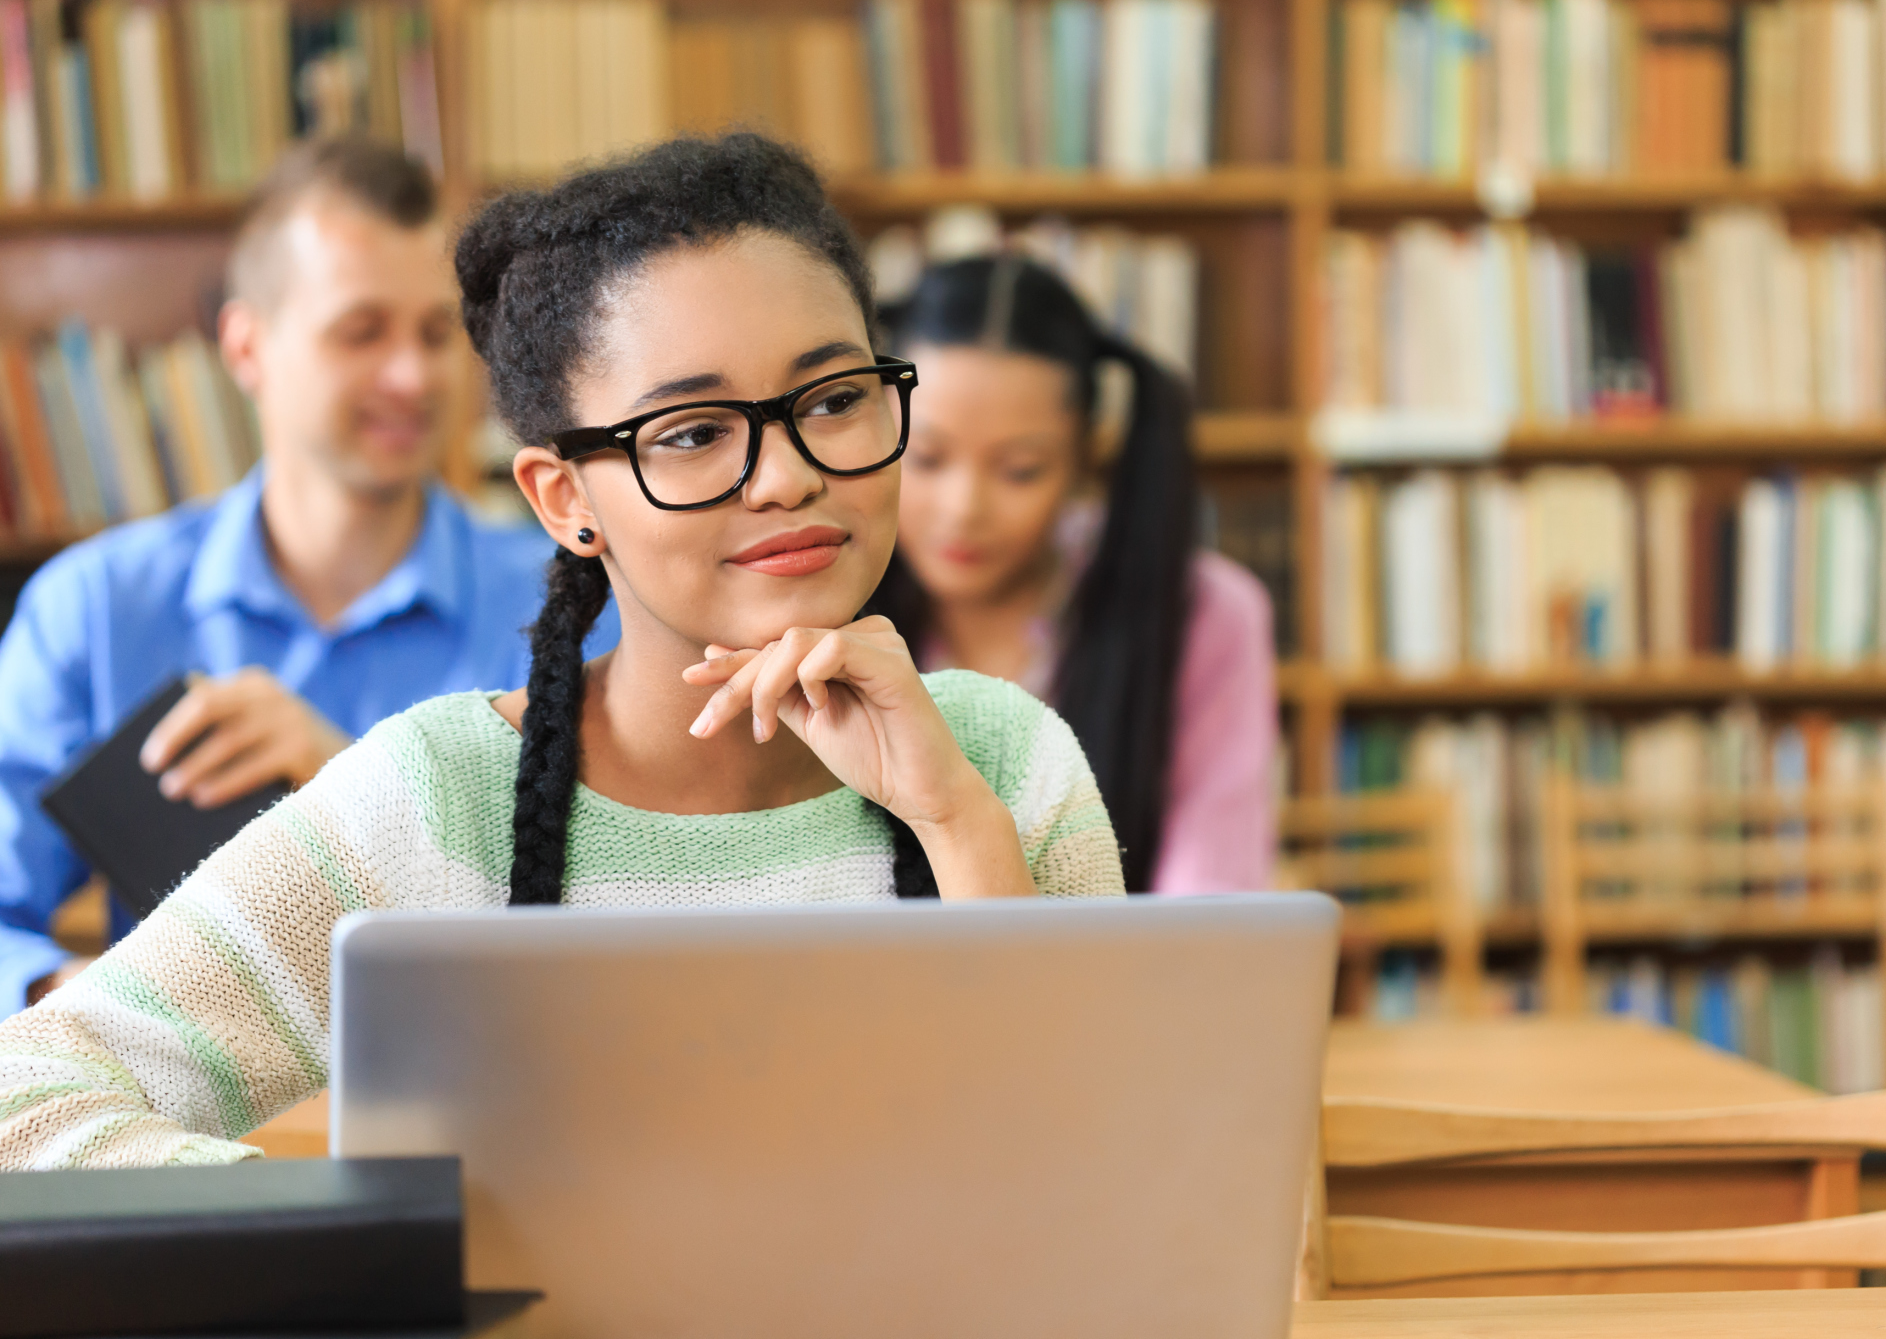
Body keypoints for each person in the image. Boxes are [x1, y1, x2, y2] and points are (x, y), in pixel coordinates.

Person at [0, 132, 1122, 1169]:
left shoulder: (1005, 762)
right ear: (563, 499)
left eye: (830, 399)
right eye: (691, 433)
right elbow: (26, 1102)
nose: (787, 475)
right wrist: (392, 1257)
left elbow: (1102, 1186)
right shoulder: (434, 801)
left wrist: (956, 828)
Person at [0, 136, 581, 1018]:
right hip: (184, 1119)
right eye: (362, 331)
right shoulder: (93, 610)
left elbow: (614, 925)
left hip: (490, 1108)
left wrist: (360, 795)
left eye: (436, 333)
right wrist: (66, 995)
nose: (413, 375)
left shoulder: (575, 604)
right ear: (245, 347)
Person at [869, 256, 1277, 895]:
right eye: (926, 457)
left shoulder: (1203, 612)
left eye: (1021, 470)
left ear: (1086, 459)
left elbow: (1208, 899)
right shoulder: (826, 591)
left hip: (1126, 988)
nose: (962, 510)